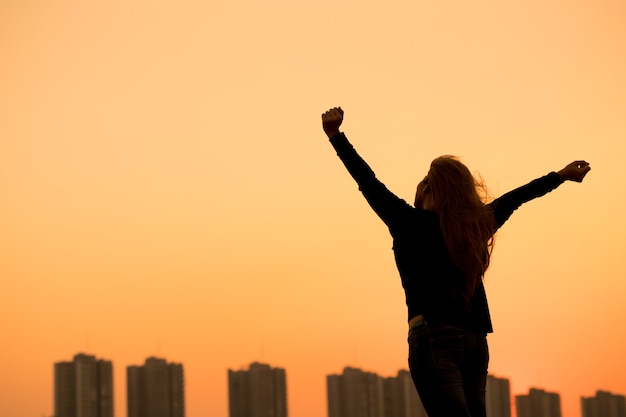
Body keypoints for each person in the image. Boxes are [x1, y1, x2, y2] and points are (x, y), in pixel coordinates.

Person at [320, 106, 590, 417]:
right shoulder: (476, 224)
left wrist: (336, 136)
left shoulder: (408, 222)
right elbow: (517, 197)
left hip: (434, 338)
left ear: (429, 191)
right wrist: (561, 176)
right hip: (475, 341)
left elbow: (368, 182)